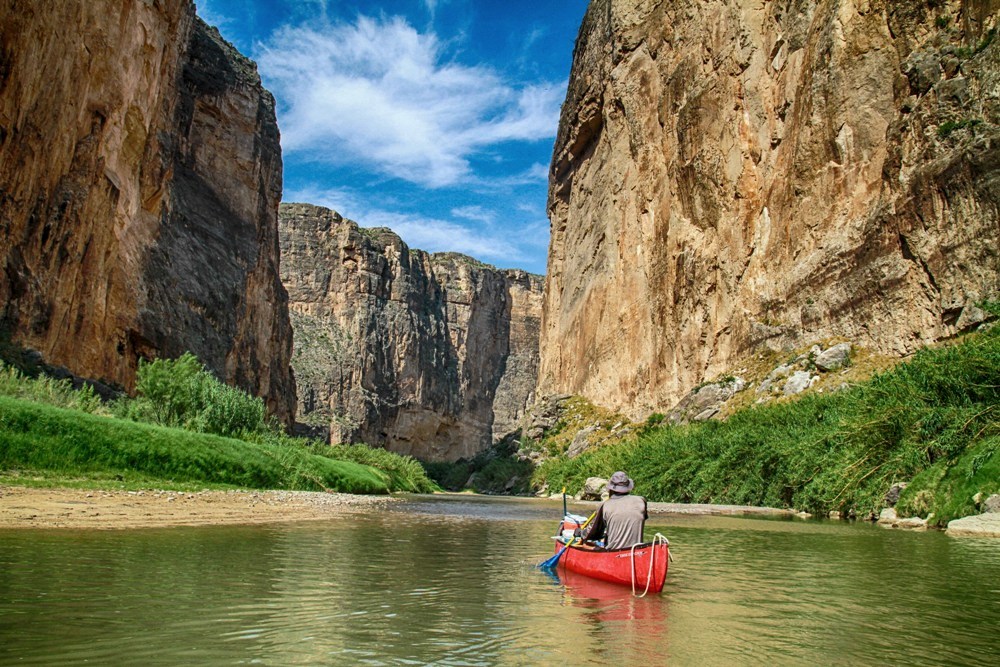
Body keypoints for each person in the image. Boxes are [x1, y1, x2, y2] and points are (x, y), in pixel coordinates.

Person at [581, 471, 648, 549]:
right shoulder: (641, 501)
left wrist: (581, 533)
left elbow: (594, 535)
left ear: (611, 490)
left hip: (613, 553)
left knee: (586, 545)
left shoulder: (605, 505)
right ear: (628, 488)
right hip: (636, 552)